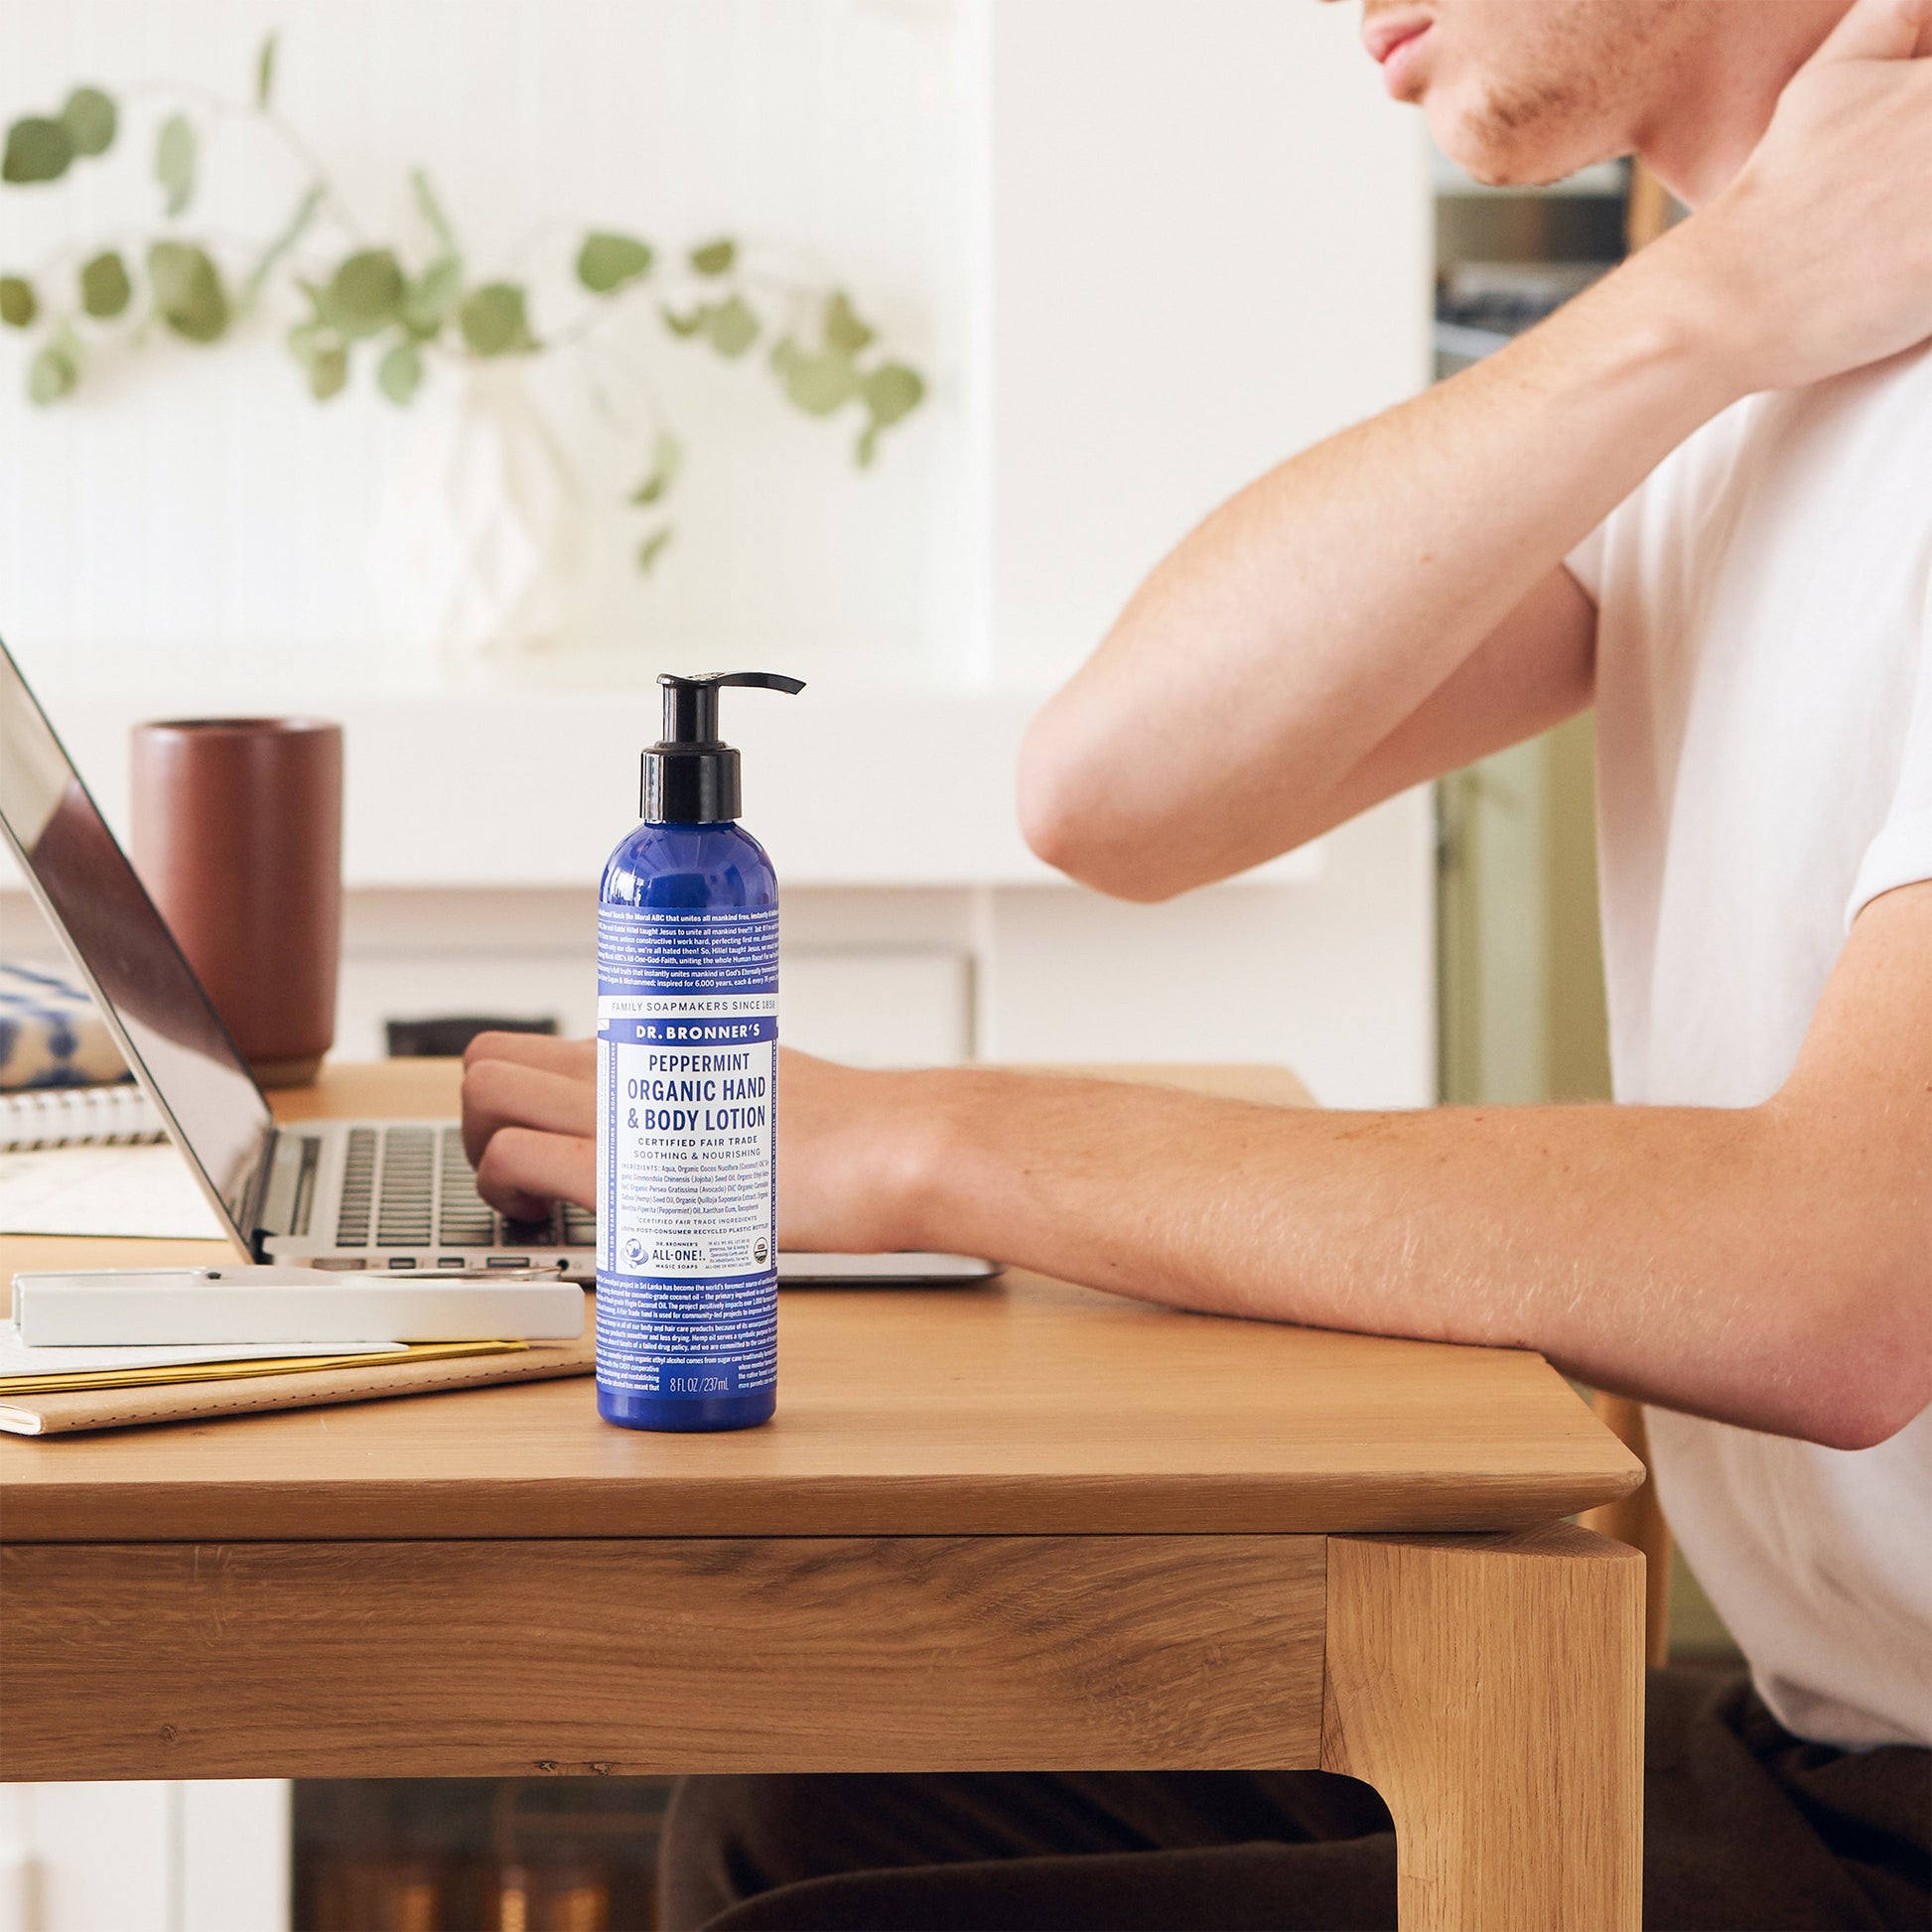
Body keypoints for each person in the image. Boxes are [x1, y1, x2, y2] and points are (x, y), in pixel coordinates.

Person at [462, 0, 1932, 1922]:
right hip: (1815, 1745)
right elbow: (1112, 786)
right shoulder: (1760, 349)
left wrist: (934, 1148)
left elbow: (1827, 1273)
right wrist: (1704, 302)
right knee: (814, 1804)